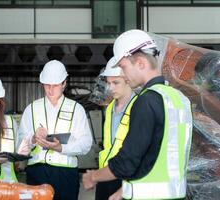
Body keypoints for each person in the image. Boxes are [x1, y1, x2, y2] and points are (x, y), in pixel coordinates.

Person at [83, 29, 193, 200]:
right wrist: (123, 190)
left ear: (140, 63)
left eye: (123, 67)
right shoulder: (179, 99)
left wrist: (92, 177)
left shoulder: (146, 101)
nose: (124, 75)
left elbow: (126, 164)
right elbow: (155, 155)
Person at [18, 60, 92, 200]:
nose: (50, 90)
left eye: (55, 85)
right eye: (47, 85)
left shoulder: (76, 109)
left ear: (64, 83)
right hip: (37, 173)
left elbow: (86, 144)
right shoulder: (32, 109)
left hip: (66, 175)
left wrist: (61, 148)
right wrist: (33, 138)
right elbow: (20, 145)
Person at [96, 60, 136, 200]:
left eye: (116, 83)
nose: (110, 88)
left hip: (127, 177)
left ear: (128, 80)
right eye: (108, 83)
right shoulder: (109, 108)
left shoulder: (139, 106)